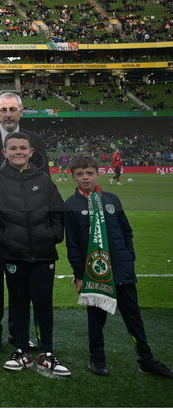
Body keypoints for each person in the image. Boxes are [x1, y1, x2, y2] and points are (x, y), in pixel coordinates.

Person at [63, 154, 173, 379]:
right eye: (80, 174)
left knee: (134, 317)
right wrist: (79, 275)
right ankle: (97, 359)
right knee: (96, 320)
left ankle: (146, 360)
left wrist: (128, 258)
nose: (85, 177)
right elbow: (72, 244)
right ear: (73, 176)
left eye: (89, 173)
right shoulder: (71, 205)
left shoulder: (112, 199)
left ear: (98, 173)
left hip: (122, 270)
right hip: (95, 273)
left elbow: (126, 231)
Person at [0, 131, 68, 376]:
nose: (18, 152)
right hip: (13, 254)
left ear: (31, 152)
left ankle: (47, 351)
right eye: (13, 148)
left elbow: (57, 211)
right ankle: (20, 350)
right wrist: (4, 238)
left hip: (43, 253)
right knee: (18, 301)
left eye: (23, 148)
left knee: (43, 301)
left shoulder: (43, 179)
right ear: (4, 152)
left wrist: (53, 235)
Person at [0, 92, 48, 351]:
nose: (8, 114)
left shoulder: (35, 140)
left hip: (24, 228)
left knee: (21, 283)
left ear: (21, 111)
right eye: (3, 109)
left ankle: (19, 332)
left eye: (12, 109)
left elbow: (43, 181)